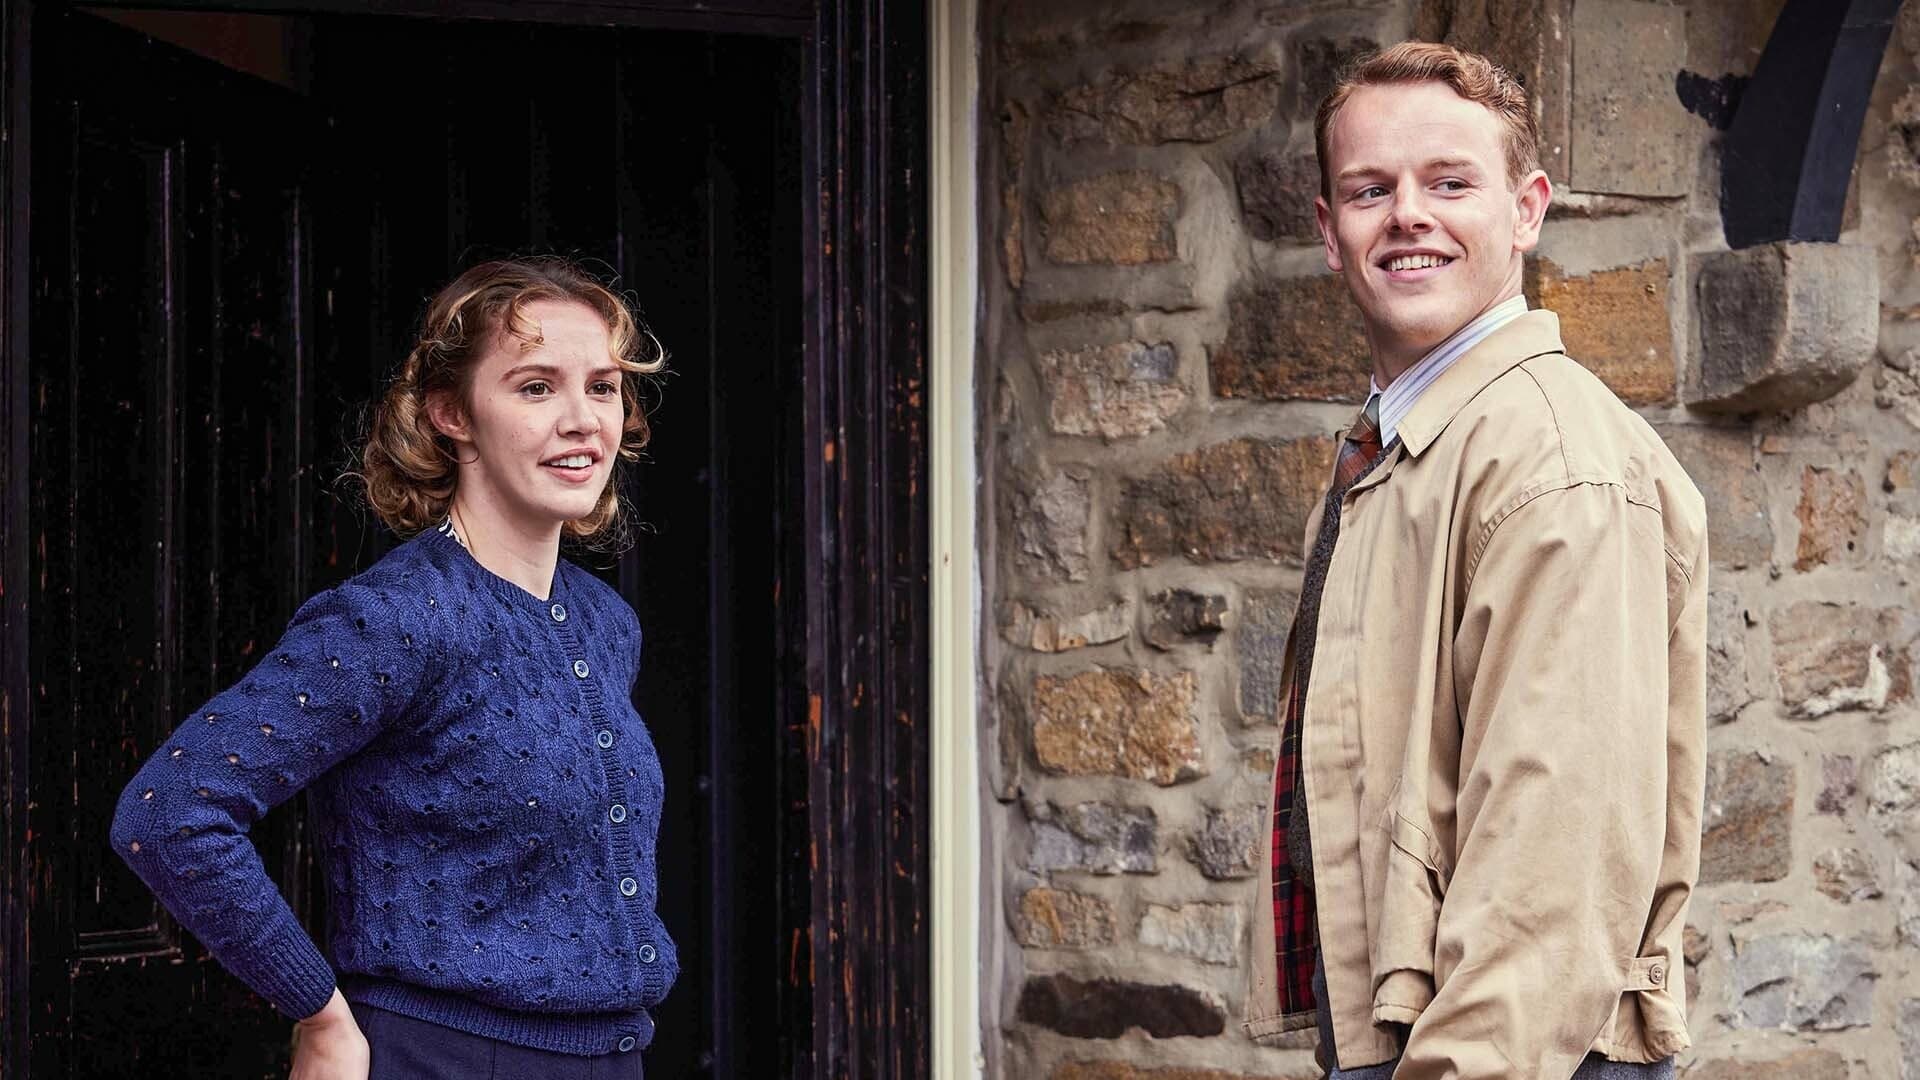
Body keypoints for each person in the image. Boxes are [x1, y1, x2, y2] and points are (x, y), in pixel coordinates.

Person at [1240, 42, 1708, 1080]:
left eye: (1450, 183)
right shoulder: (1400, 450)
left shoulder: (1553, 463)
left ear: (1527, 210)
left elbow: (1550, 879)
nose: (1408, 215)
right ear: (1328, 231)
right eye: (1370, 190)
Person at [112, 257, 677, 1079]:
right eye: (535, 387)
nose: (583, 420)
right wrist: (318, 1012)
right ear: (451, 412)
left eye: (602, 388)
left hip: (611, 1057)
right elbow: (169, 810)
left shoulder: (604, 623)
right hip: (443, 1058)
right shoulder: (396, 619)